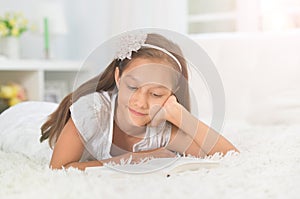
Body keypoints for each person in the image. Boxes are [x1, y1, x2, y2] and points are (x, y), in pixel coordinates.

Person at [39, 32, 239, 170]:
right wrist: (132, 159)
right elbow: (58, 169)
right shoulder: (93, 110)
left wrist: (180, 115)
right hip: (28, 122)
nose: (141, 102)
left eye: (156, 94)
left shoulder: (162, 127)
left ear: (171, 93)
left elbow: (229, 156)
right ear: (118, 78)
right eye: (133, 87)